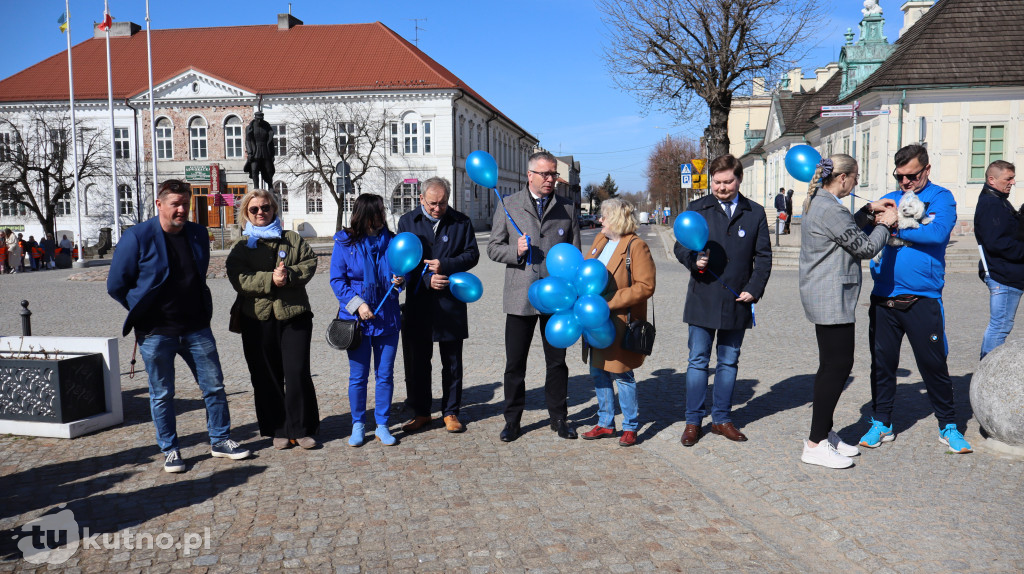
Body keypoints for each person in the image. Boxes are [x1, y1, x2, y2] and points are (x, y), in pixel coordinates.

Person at [107, 179, 250, 473]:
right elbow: (116, 285)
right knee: (162, 394)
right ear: (159, 204)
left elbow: (198, 276)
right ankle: (170, 448)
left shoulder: (197, 233)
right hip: (156, 332)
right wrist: (141, 311)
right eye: (176, 204)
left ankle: (220, 439)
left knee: (214, 387)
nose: (182, 209)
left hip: (197, 327)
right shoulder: (137, 236)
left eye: (185, 203)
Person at [860, 144, 973, 454]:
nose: (905, 183)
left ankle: (948, 425)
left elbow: (937, 234)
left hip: (922, 297)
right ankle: (882, 422)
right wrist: (870, 212)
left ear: (926, 170)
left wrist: (895, 224)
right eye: (899, 177)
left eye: (911, 176)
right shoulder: (890, 199)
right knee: (882, 366)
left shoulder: (940, 197)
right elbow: (861, 233)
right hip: (884, 298)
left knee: (933, 364)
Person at [797, 154, 897, 469]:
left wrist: (867, 212)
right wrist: (884, 224)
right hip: (829, 296)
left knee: (833, 365)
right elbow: (865, 248)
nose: (856, 183)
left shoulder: (821, 202)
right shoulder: (829, 207)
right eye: (855, 177)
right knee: (837, 367)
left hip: (825, 292)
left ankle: (824, 433)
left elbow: (845, 230)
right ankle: (815, 443)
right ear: (843, 178)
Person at [674, 154, 772, 447]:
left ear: (739, 179)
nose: (722, 187)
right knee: (698, 361)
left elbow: (764, 257)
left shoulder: (754, 212)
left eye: (728, 181)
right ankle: (693, 422)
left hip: (737, 299)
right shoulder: (696, 209)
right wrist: (694, 260)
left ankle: (722, 419)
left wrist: (754, 288)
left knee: (729, 362)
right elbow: (681, 247)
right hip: (703, 297)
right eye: (717, 182)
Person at [487, 151, 581, 442]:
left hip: (556, 299)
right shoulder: (509, 204)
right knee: (515, 364)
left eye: (553, 174)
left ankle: (559, 417)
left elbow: (575, 254)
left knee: (557, 362)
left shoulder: (568, 207)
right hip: (519, 296)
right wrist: (514, 252)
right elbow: (492, 247)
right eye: (546, 174)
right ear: (530, 176)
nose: (551, 179)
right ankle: (512, 421)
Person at [226, 189, 320, 450]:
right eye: (254, 209)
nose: (260, 213)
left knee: (297, 372)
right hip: (256, 318)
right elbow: (238, 278)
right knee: (266, 375)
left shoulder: (291, 239)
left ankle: (302, 428)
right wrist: (270, 279)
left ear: (274, 209)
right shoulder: (242, 247)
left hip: (294, 315)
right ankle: (278, 428)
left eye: (265, 208)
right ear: (246, 213)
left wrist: (288, 274)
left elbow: (310, 262)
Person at [398, 177, 480, 434]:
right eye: (432, 203)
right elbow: (402, 261)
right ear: (421, 199)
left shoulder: (461, 221)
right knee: (418, 362)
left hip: (451, 303)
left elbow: (472, 254)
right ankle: (421, 412)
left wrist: (445, 265)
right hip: (419, 303)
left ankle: (451, 412)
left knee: (452, 362)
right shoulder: (407, 222)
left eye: (442, 203)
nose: (437, 208)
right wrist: (426, 279)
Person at [330, 193, 405, 447]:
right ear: (364, 215)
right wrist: (358, 305)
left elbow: (399, 275)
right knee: (358, 376)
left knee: (385, 375)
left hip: (387, 318)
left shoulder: (392, 241)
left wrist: (399, 281)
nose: (382, 217)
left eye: (383, 212)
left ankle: (382, 424)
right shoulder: (344, 242)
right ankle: (358, 424)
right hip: (358, 321)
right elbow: (337, 281)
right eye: (378, 213)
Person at [580, 198, 655, 447]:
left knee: (622, 374)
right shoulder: (601, 241)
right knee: (598, 371)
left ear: (618, 219)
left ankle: (631, 426)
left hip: (619, 321)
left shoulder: (636, 245)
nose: (600, 220)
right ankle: (605, 423)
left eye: (605, 216)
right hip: (594, 320)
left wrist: (610, 301)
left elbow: (646, 286)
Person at [975, 160, 1022, 359]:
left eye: (1013, 178)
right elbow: (998, 243)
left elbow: (1010, 229)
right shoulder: (991, 203)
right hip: (1002, 276)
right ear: (991, 179)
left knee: (1001, 325)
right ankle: (987, 374)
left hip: (1008, 274)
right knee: (1000, 326)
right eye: (1008, 178)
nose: (1012, 182)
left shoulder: (998, 199)